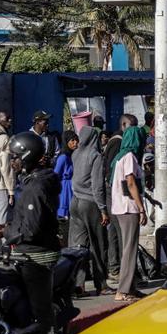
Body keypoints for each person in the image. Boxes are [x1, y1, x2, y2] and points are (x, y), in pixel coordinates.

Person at [0, 133, 60, 334]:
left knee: (40, 310)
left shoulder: (36, 186)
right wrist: (7, 228)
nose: (12, 162)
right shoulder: (32, 181)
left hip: (37, 255)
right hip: (25, 250)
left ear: (27, 156)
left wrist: (6, 232)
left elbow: (30, 228)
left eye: (16, 158)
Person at [109, 125, 149, 302]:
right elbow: (131, 183)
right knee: (129, 249)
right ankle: (123, 290)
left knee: (128, 247)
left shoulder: (119, 157)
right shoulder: (130, 157)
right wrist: (141, 208)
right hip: (129, 207)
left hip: (120, 207)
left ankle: (130, 287)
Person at [69, 126, 110, 295]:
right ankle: (102, 285)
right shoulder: (95, 156)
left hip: (75, 202)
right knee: (98, 245)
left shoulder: (75, 154)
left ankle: (78, 285)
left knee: (78, 247)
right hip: (90, 203)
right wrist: (103, 209)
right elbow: (98, 186)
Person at [54, 131, 78, 220]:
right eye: (72, 140)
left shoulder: (72, 155)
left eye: (76, 140)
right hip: (65, 189)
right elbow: (56, 174)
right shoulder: (63, 157)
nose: (75, 143)